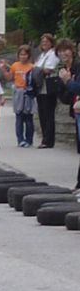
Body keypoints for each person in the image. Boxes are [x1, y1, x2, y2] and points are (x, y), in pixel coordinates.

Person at [0, 45, 35, 147]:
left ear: (28, 56)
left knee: (29, 118)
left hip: (28, 93)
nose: (23, 56)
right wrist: (3, 69)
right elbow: (10, 77)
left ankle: (29, 139)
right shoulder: (15, 65)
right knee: (19, 117)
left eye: (25, 54)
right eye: (21, 54)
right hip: (18, 92)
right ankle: (20, 139)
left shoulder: (32, 67)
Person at [57, 38, 80, 192]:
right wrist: (65, 82)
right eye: (59, 51)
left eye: (66, 49)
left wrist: (68, 82)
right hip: (76, 110)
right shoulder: (63, 69)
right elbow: (64, 97)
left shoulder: (77, 67)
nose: (63, 53)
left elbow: (77, 87)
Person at [35, 33, 60, 148]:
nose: (44, 44)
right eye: (43, 42)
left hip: (49, 87)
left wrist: (37, 70)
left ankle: (48, 140)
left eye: (47, 42)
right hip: (41, 88)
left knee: (48, 114)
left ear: (51, 43)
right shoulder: (41, 55)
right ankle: (45, 138)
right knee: (42, 114)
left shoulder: (53, 54)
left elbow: (49, 69)